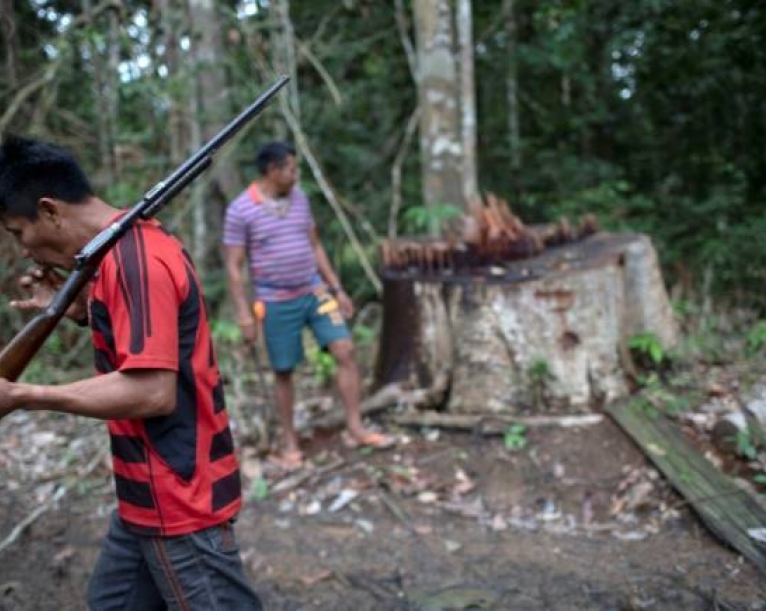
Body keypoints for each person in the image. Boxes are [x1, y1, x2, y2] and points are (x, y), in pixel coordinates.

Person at [0, 136, 262, 610]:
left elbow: (151, 391)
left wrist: (24, 394)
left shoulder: (136, 260)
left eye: (18, 232)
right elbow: (141, 349)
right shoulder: (123, 253)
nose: (22, 249)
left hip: (178, 496)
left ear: (51, 210)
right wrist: (78, 311)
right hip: (146, 492)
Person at [223, 141, 393, 471]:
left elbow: (315, 245)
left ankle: (356, 427)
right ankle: (290, 443)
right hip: (275, 301)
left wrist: (336, 289)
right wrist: (244, 313)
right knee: (284, 370)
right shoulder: (241, 210)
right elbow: (234, 265)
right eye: (290, 168)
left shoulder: (299, 199)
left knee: (345, 350)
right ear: (272, 171)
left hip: (315, 292)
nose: (295, 174)